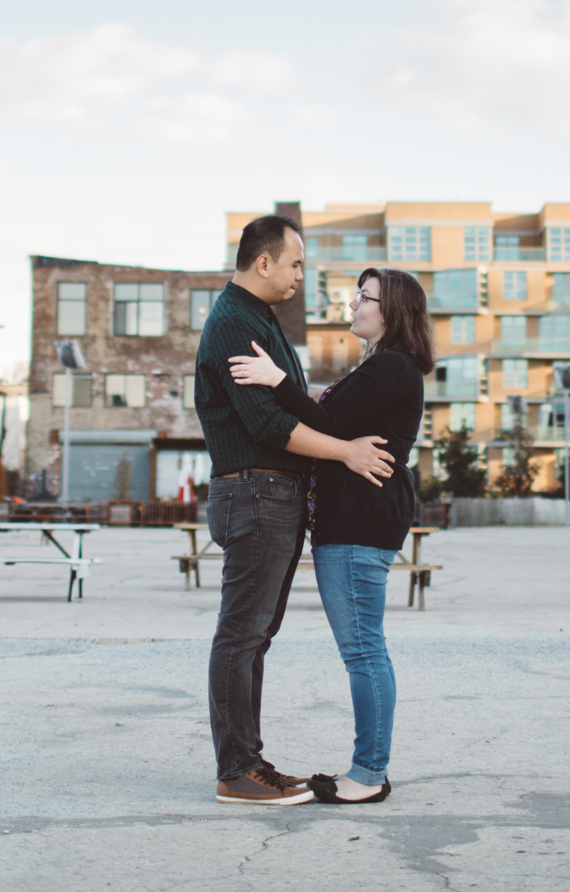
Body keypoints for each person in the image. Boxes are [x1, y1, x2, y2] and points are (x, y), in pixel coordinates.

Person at [196, 213, 397, 807]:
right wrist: (347, 452)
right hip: (254, 492)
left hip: (269, 496)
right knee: (242, 636)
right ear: (264, 262)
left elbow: (291, 405)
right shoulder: (235, 322)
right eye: (295, 263)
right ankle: (237, 771)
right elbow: (268, 423)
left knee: (254, 636)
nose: (300, 275)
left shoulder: (257, 318)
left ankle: (249, 763)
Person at [229, 264, 430, 804]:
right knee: (364, 649)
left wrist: (277, 381)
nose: (354, 305)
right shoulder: (385, 367)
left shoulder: (392, 366)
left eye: (365, 298)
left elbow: (329, 422)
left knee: (363, 651)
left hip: (360, 523)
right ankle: (368, 769)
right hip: (360, 521)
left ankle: (367, 775)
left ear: (393, 311)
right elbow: (335, 413)